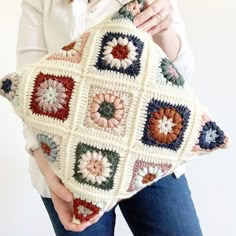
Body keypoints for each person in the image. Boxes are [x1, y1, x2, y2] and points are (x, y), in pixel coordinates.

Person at [17, 0, 203, 235]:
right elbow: (29, 91)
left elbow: (181, 73)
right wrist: (49, 174)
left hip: (150, 153)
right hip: (70, 165)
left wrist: (164, 29)